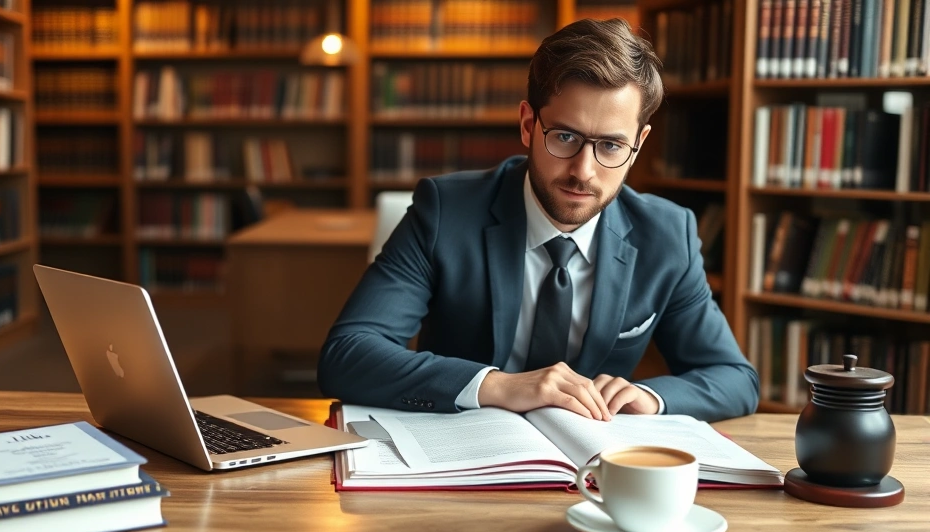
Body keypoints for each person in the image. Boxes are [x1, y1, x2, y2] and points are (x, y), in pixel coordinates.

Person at [318, 19, 758, 423]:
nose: (584, 171)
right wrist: (498, 386)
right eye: (565, 136)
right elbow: (348, 354)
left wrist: (651, 398)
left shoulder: (667, 235)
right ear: (528, 125)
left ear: (639, 144)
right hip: (459, 456)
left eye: (610, 146)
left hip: (587, 470)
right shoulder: (445, 211)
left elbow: (735, 378)